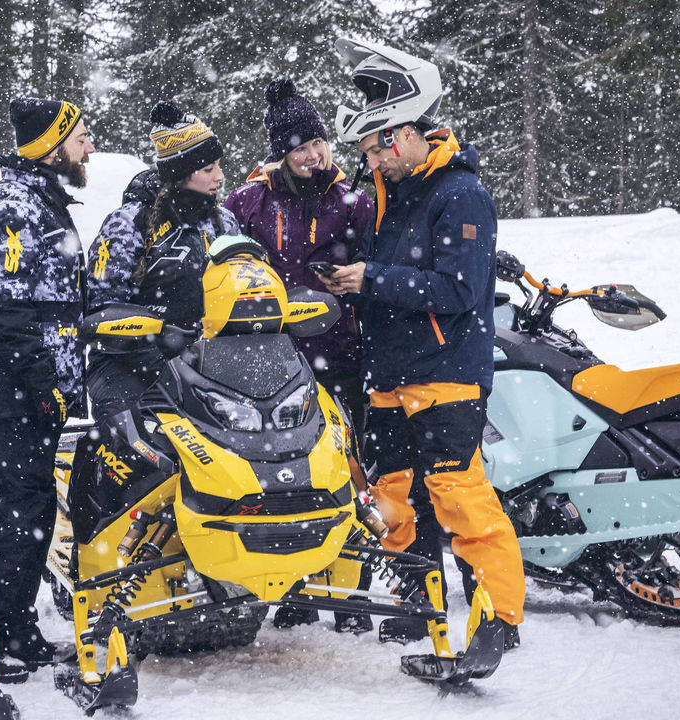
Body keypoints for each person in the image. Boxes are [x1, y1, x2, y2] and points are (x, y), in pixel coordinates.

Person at [321, 40, 525, 645]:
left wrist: (372, 278)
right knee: (391, 498)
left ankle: (499, 621)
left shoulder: (460, 193)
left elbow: (460, 289)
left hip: (445, 372)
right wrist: (347, 282)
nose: (372, 162)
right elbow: (397, 279)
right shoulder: (396, 193)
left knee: (460, 498)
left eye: (375, 148)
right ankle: (416, 603)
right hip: (391, 374)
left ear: (405, 135)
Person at [224, 77, 375, 633]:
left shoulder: (353, 200)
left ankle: (351, 591)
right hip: (268, 360)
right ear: (280, 154)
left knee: (345, 469)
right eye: (299, 148)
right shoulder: (248, 201)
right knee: (283, 477)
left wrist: (354, 283)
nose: (313, 155)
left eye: (317, 144)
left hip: (340, 352)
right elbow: (222, 262)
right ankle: (295, 586)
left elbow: (376, 265)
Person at [0, 96, 93, 675]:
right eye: (80, 138)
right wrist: (44, 383)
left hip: (24, 391)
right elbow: (6, 309)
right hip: (6, 393)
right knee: (17, 509)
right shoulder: (15, 208)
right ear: (52, 147)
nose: (89, 148)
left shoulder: (41, 201)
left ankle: (12, 629)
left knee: (28, 508)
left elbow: (55, 301)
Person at [84, 100, 239, 421]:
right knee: (131, 440)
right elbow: (101, 310)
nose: (220, 176)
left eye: (219, 166)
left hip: (205, 363)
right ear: (180, 174)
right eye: (209, 169)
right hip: (126, 364)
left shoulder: (225, 221)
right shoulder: (127, 225)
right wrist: (158, 358)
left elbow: (244, 286)